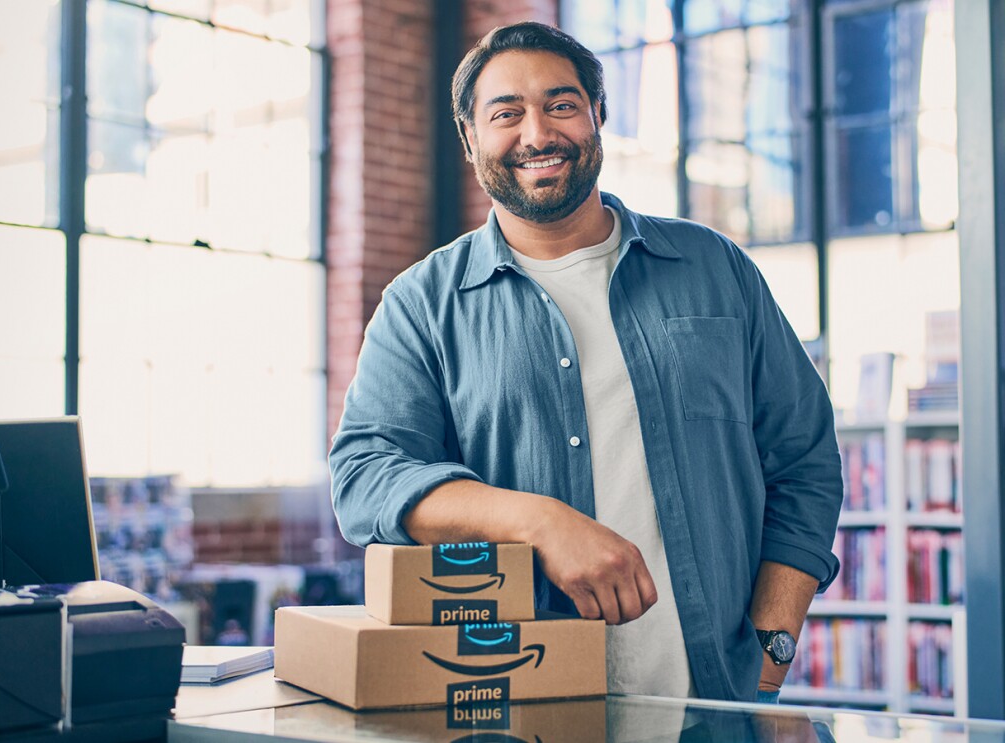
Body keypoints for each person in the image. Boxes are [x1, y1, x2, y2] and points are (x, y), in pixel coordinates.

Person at [330, 21, 843, 704]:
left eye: (562, 104)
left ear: (598, 116)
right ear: (471, 138)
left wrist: (772, 650)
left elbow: (805, 459)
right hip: (525, 708)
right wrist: (539, 520)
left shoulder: (715, 269)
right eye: (505, 113)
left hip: (716, 710)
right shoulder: (422, 304)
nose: (537, 133)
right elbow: (365, 475)